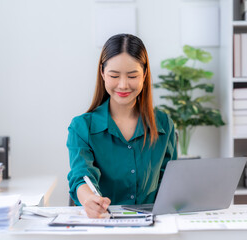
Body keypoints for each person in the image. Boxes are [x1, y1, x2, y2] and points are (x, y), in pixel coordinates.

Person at [67, 33, 177, 218]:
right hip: (104, 225)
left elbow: (170, 181)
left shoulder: (164, 124)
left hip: (153, 227)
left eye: (132, 75)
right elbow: (81, 175)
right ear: (102, 73)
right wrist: (88, 199)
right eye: (114, 75)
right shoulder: (82, 127)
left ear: (144, 74)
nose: (123, 85)